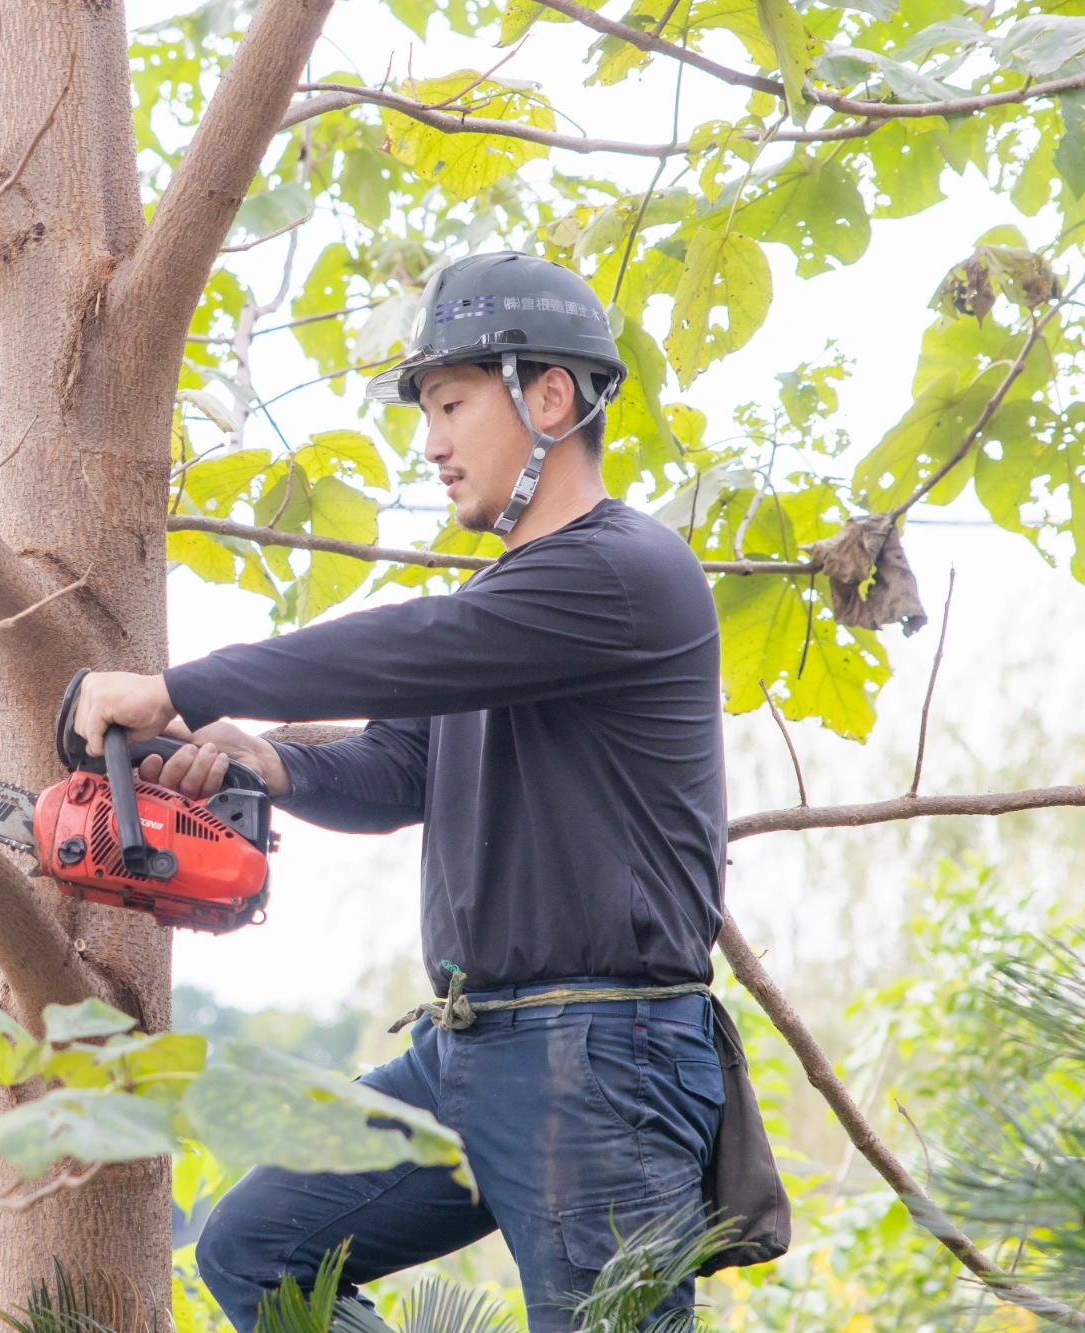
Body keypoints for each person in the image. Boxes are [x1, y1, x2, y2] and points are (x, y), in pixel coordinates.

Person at [70, 252, 728, 1332]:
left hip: (597, 1054)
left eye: (451, 405)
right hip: (463, 1048)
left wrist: (176, 688)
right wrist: (260, 760)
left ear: (547, 397)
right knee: (257, 1253)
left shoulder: (620, 572)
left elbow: (408, 644)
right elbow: (394, 771)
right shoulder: (503, 611)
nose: (430, 443)